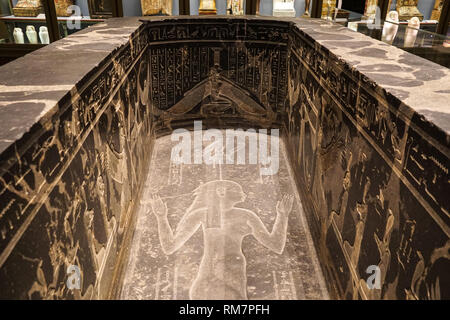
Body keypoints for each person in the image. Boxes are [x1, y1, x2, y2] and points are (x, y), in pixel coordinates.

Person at [150, 180, 294, 299]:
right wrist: (161, 217)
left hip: (231, 280)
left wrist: (282, 216)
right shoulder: (203, 214)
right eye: (237, 188)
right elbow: (169, 246)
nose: (242, 193)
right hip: (208, 281)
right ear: (221, 191)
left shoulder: (245, 216)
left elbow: (276, 245)